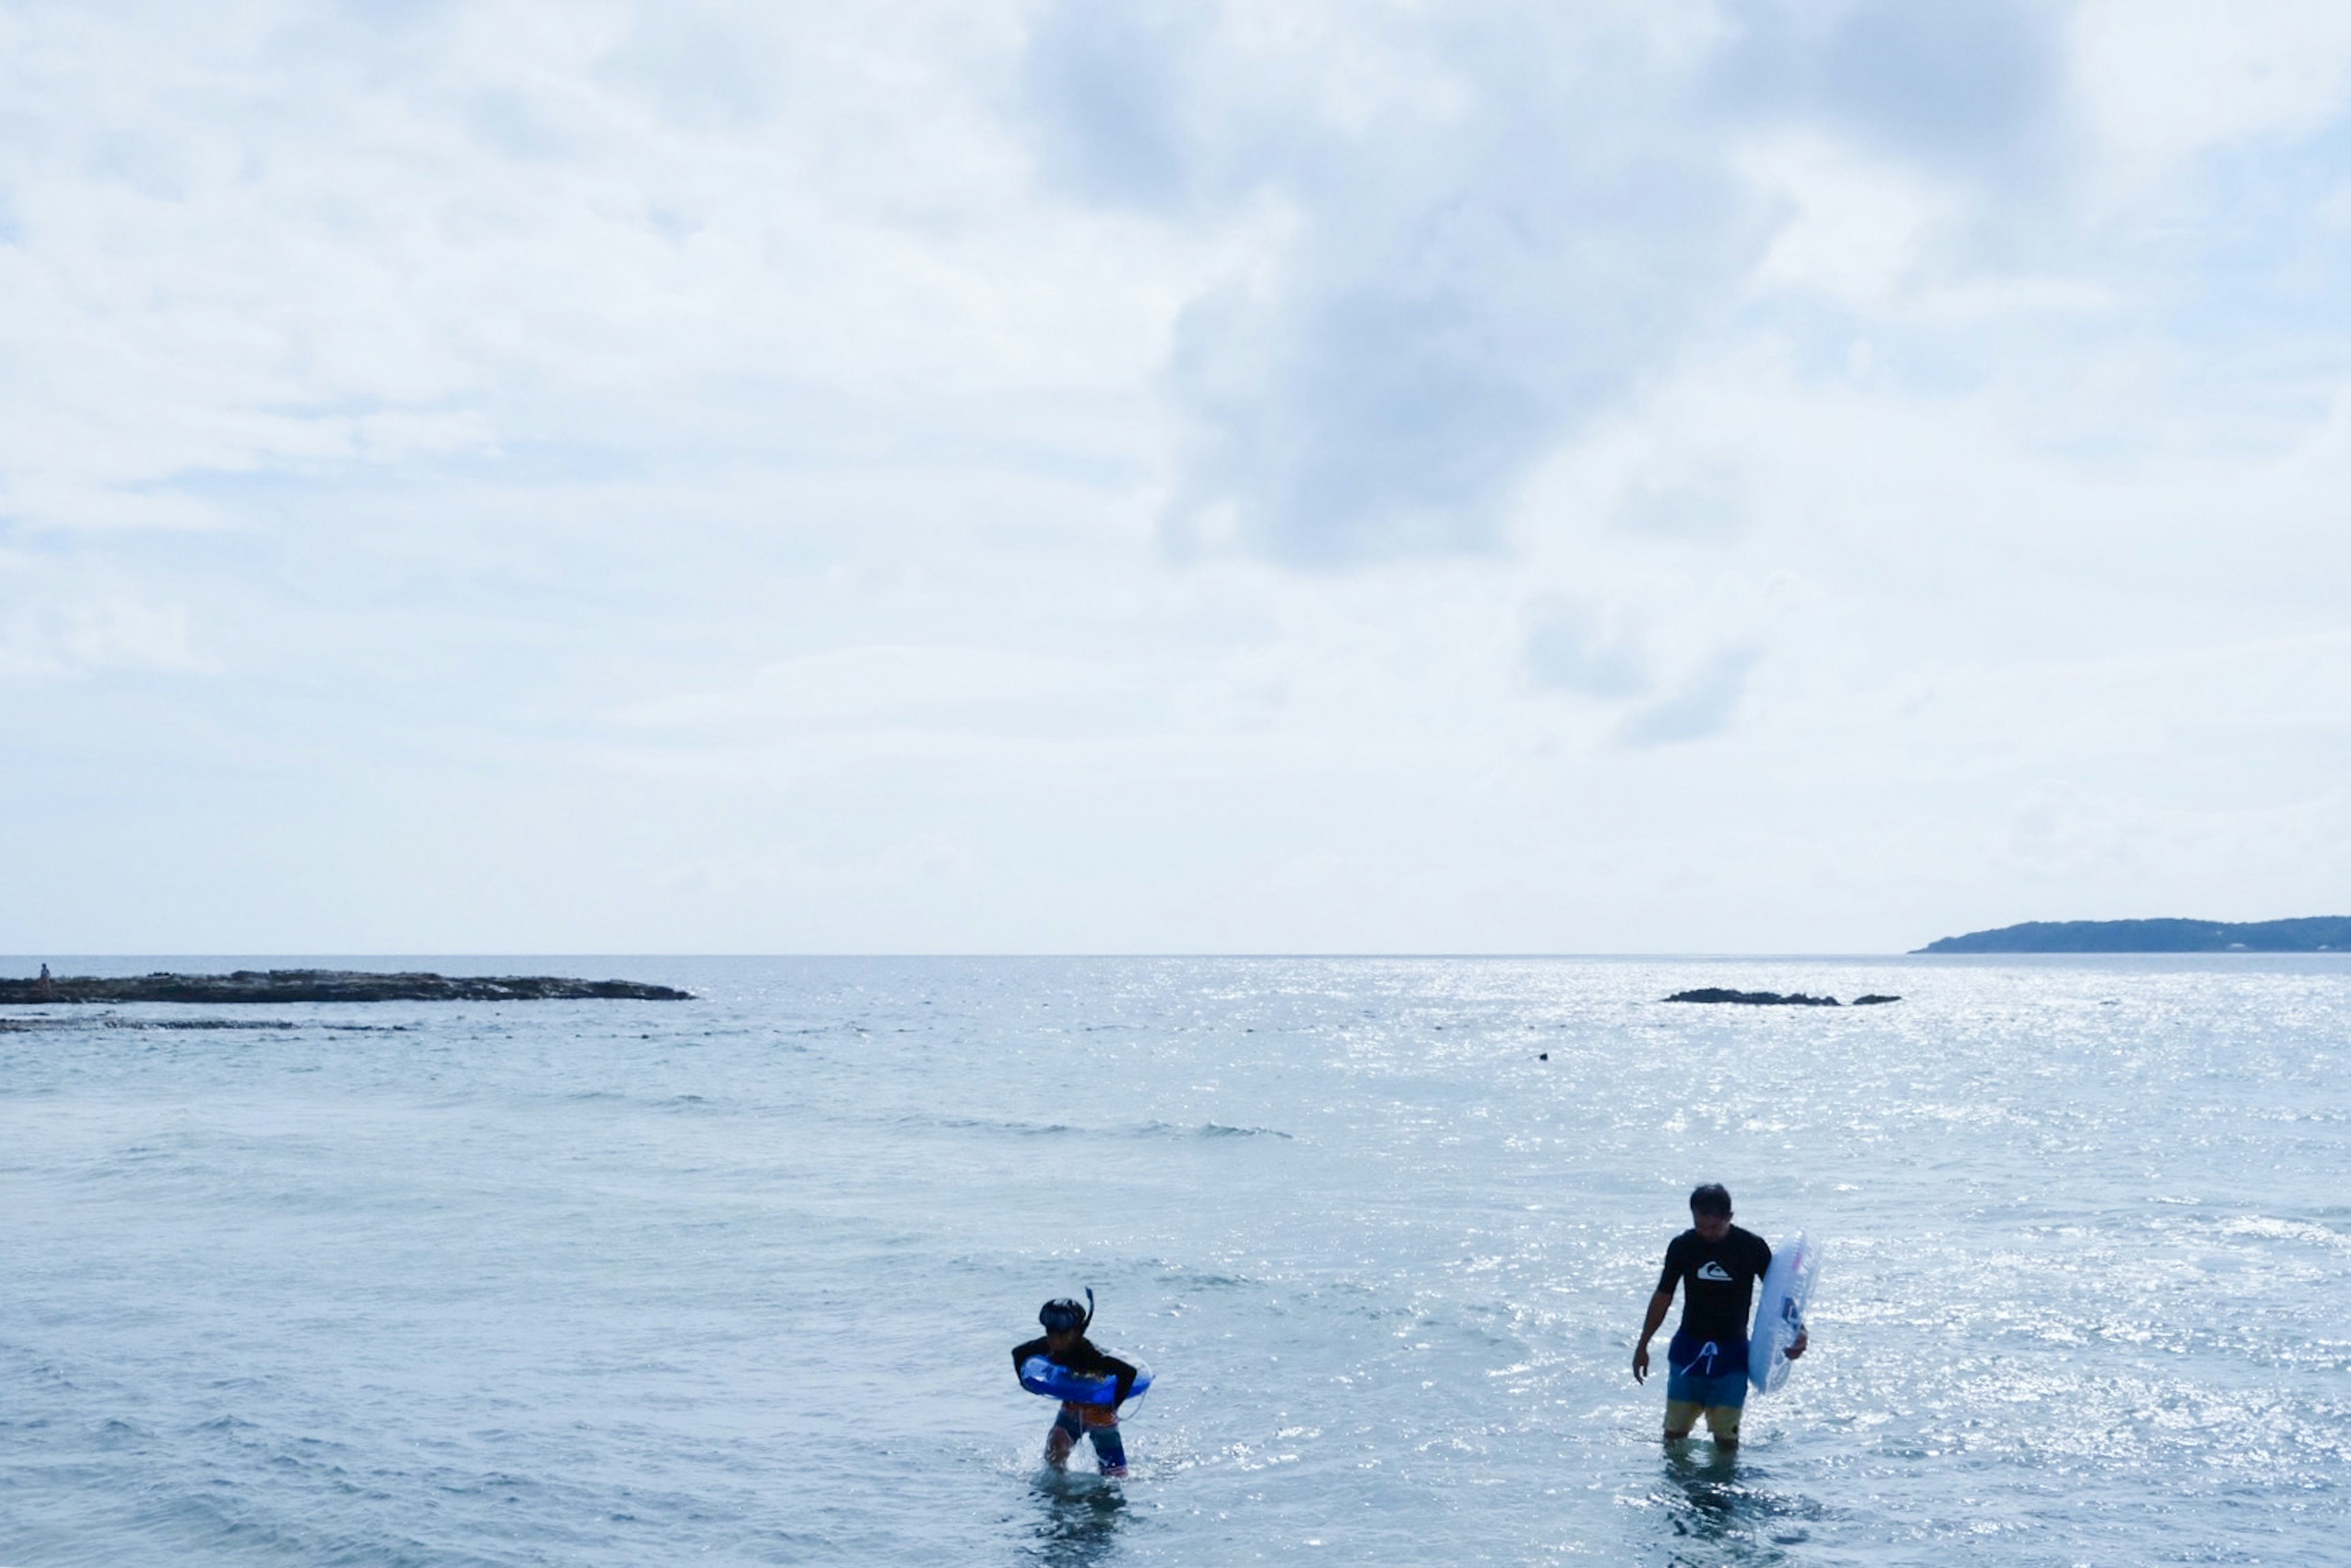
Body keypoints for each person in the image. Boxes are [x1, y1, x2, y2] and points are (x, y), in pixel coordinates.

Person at [1632, 1183, 1805, 1450]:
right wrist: (1643, 1344)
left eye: (1713, 1228)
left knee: (1727, 1442)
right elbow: (1663, 1296)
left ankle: (1722, 1489)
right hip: (1687, 1352)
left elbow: (1779, 1296)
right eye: (1699, 1226)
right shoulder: (1683, 1246)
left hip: (1732, 1357)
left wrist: (1799, 1331)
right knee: (1674, 1438)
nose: (1706, 1233)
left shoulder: (1751, 1247)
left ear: (1729, 1217)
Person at [1011, 1292, 1138, 1476]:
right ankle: (1061, 1492)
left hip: (1101, 1414)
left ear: (1078, 1332)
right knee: (1054, 1453)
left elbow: (1129, 1372)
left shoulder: (1091, 1356)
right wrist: (1024, 1382)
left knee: (1115, 1475)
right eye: (1050, 1333)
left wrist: (1113, 1407)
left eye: (1062, 1335)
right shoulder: (1047, 1346)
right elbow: (1018, 1353)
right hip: (1072, 1406)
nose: (1055, 1340)